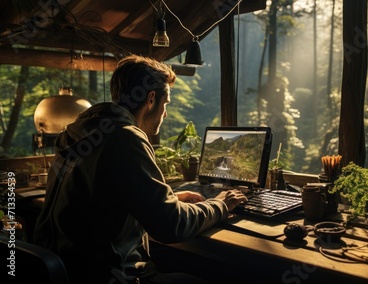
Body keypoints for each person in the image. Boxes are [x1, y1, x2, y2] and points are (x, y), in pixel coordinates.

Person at [33, 55, 248, 284]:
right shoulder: (124, 137)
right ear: (151, 99)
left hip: (69, 270)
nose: (164, 113)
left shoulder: (79, 132)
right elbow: (171, 227)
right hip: (106, 276)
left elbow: (102, 200)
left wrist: (169, 199)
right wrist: (221, 204)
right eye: (165, 105)